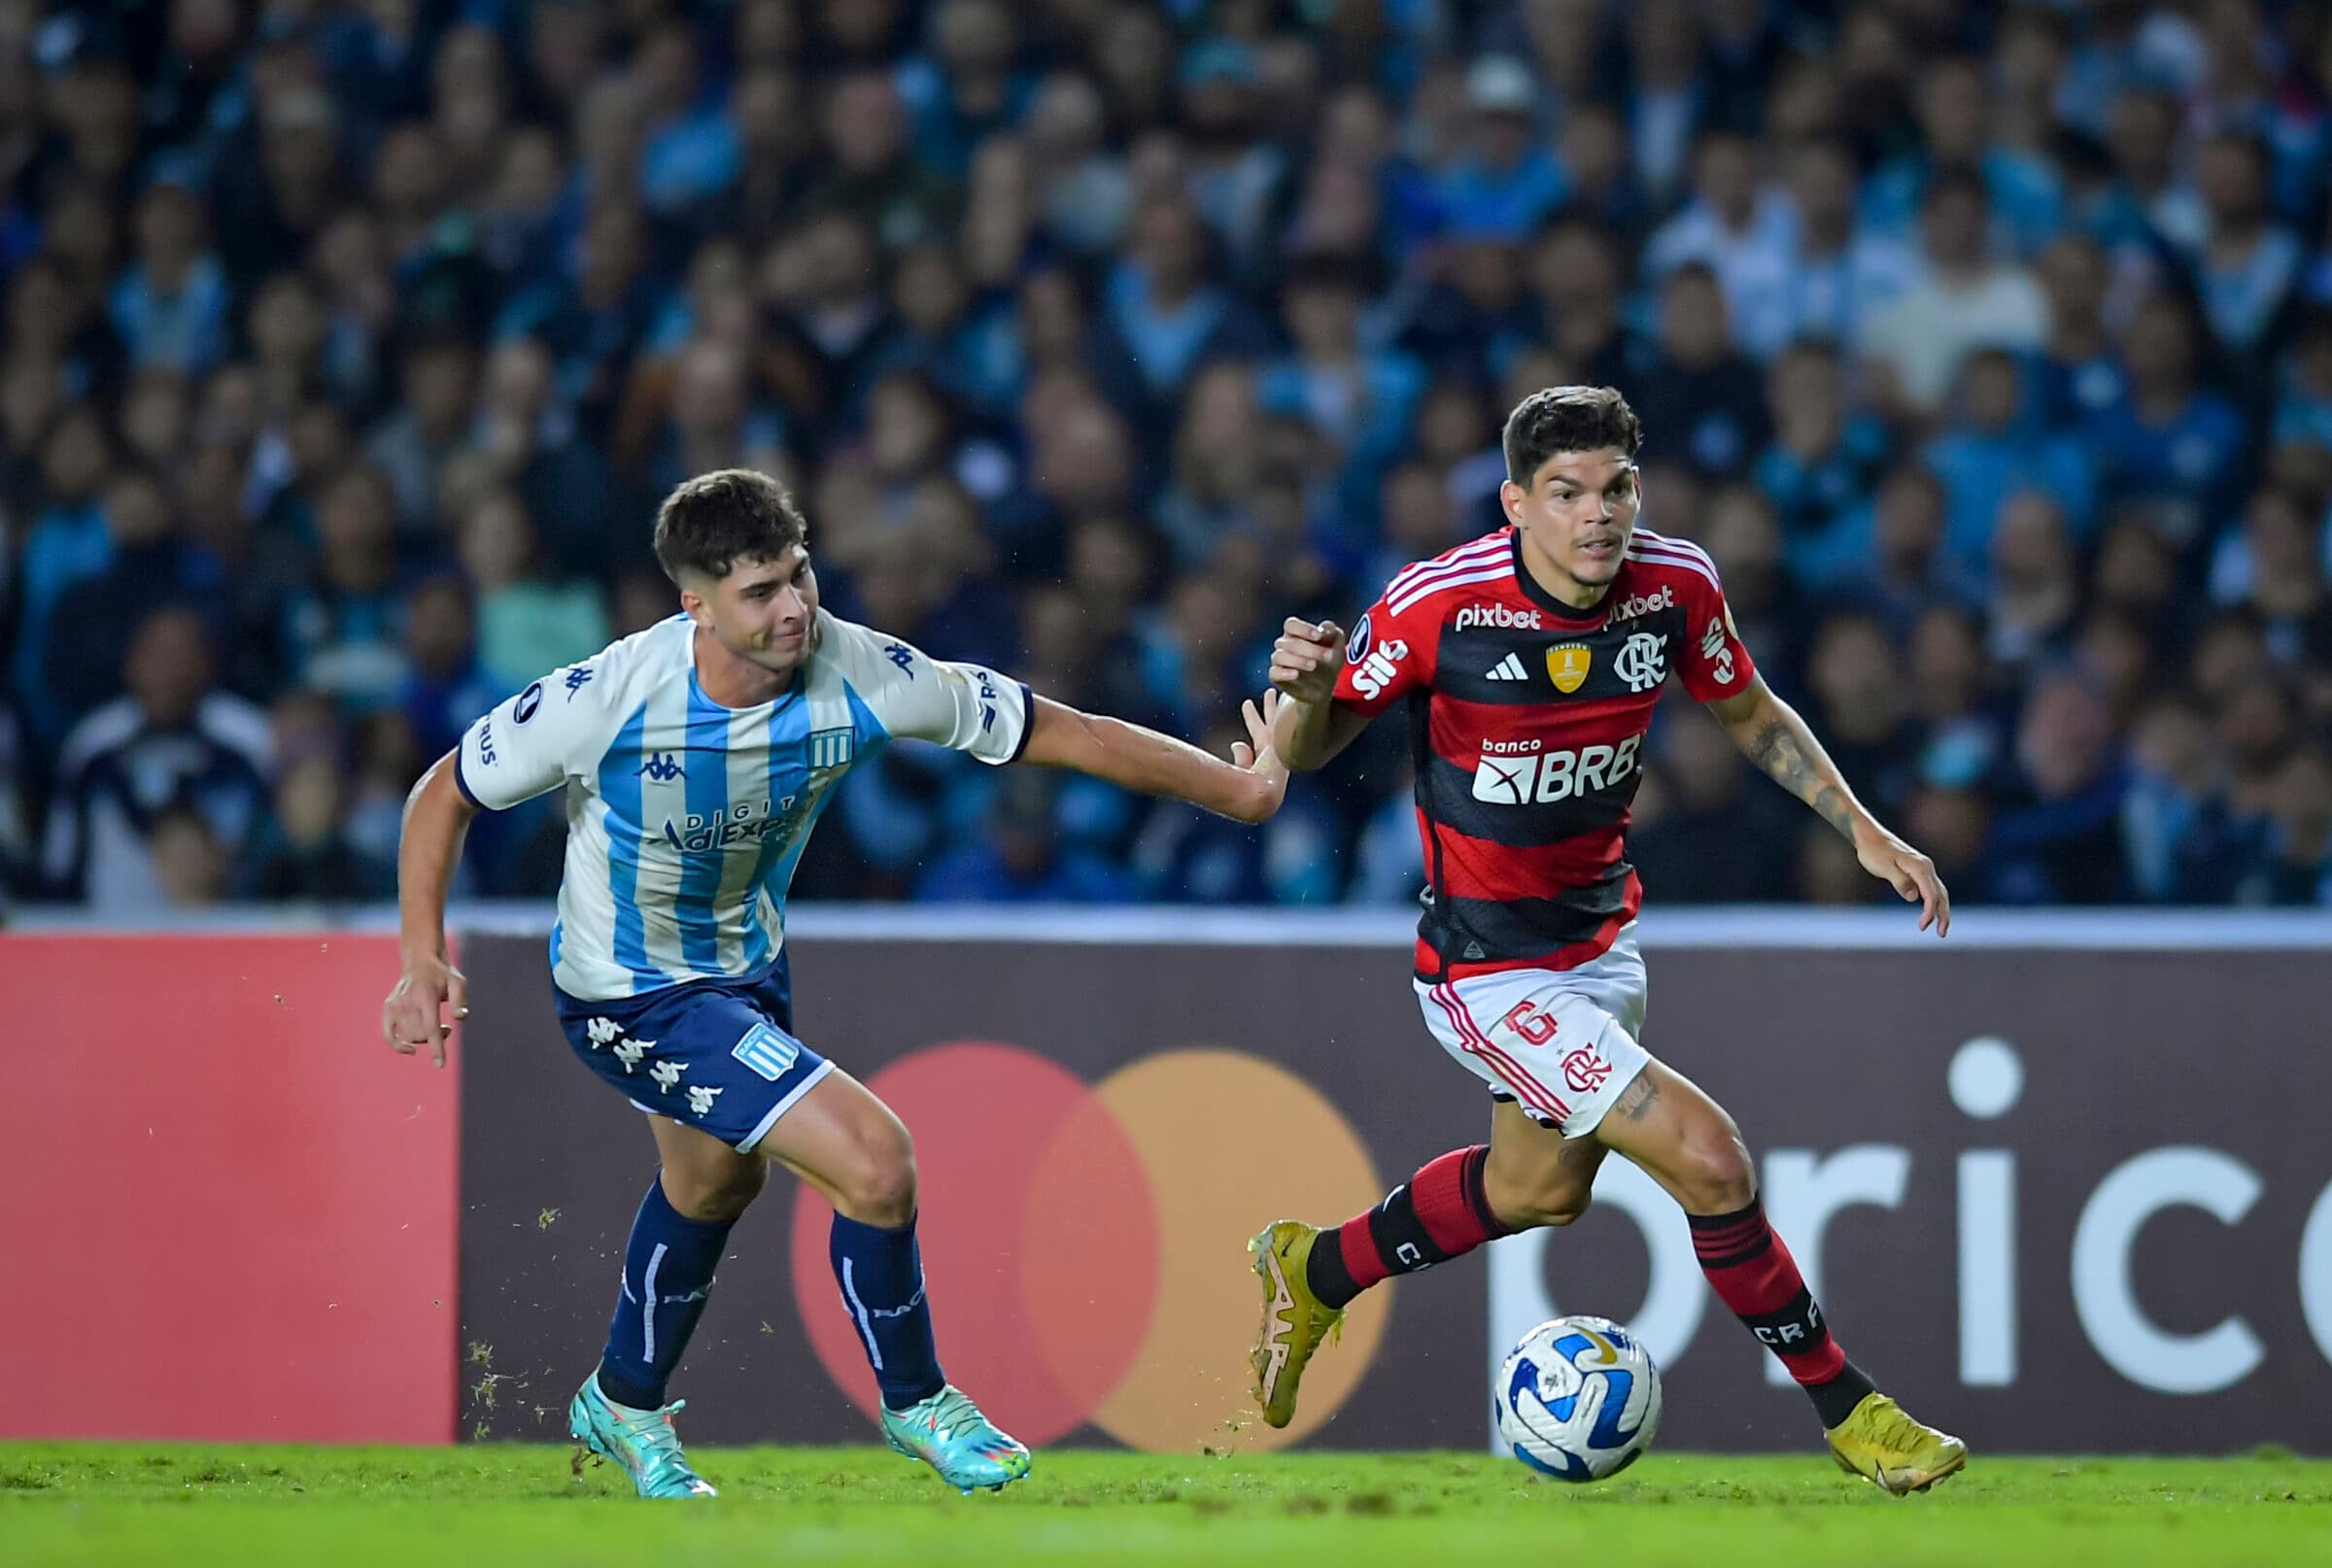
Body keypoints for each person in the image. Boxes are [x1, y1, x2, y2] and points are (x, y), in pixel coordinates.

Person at [382, 469, 1287, 1498]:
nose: (793, 608)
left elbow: (1065, 730)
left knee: (713, 1183)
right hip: (628, 991)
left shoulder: (864, 669)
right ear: (696, 605)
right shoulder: (609, 698)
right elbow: (442, 790)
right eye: (760, 591)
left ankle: (622, 1398)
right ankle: (919, 1402)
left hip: (745, 970)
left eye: (799, 575)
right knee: (876, 1161)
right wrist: (420, 954)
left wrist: (1241, 792)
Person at [1249, 386, 1966, 1494]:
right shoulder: (1440, 603)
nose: (1599, 514)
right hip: (1486, 969)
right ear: (1515, 504)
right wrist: (1301, 695)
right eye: (1568, 492)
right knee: (1711, 1158)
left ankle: (1317, 1268)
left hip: (1599, 945)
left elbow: (1751, 712)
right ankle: (1852, 1411)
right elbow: (1311, 743)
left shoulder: (1676, 587)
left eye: (1618, 487)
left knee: (1537, 1190)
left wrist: (1862, 829)